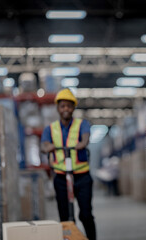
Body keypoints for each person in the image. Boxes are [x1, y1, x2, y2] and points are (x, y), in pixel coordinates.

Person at [40, 88, 96, 240]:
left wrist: (82, 143)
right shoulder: (50, 128)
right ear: (58, 108)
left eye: (69, 106)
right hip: (61, 177)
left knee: (85, 214)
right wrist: (48, 147)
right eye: (63, 106)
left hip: (82, 177)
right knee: (65, 217)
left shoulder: (82, 124)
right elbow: (44, 146)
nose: (66, 109)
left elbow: (85, 138)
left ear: (73, 108)